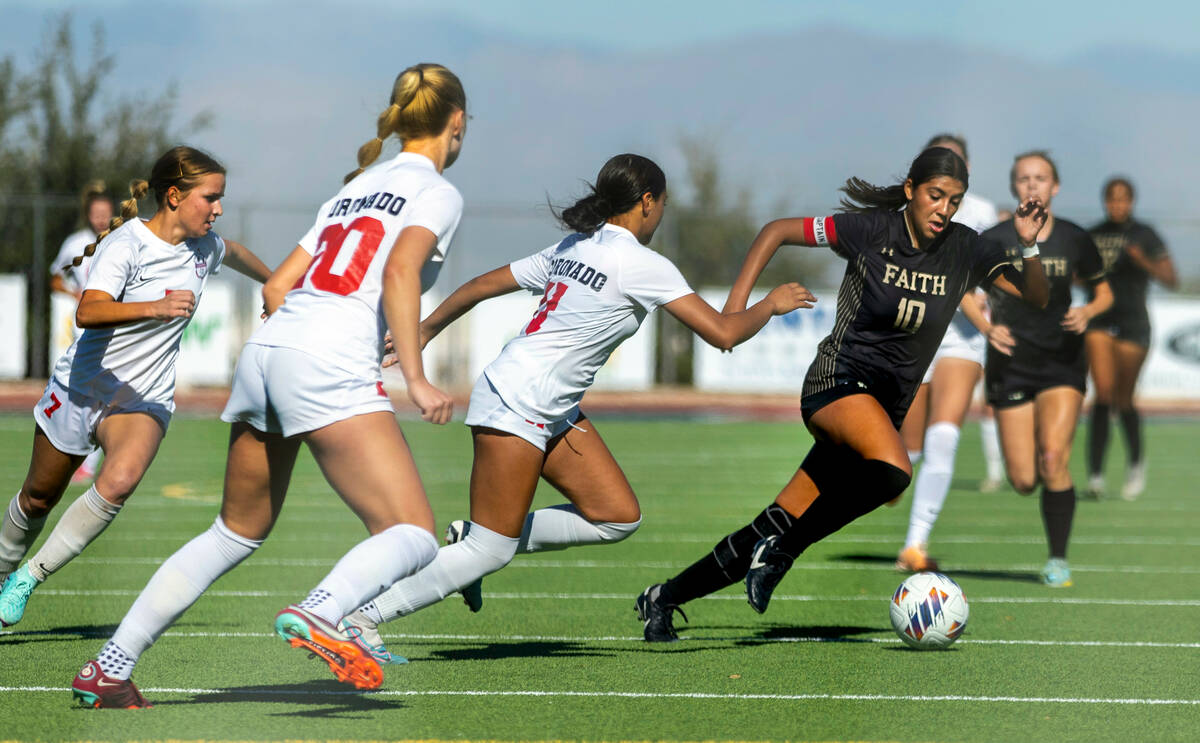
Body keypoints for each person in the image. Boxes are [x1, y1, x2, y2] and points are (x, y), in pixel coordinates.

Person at [71, 63, 467, 709]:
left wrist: (305, 345)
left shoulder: (359, 185)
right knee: (415, 533)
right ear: (456, 121)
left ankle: (110, 665)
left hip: (270, 350)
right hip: (326, 358)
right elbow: (399, 271)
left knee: (234, 530)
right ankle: (323, 610)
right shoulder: (437, 191)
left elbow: (279, 287)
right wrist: (417, 377)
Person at [332, 153, 814, 663]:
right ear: (647, 203)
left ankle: (469, 538)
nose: (662, 214)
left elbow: (478, 286)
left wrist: (428, 329)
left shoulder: (573, 247)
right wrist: (771, 303)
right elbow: (722, 334)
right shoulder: (641, 264)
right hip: (520, 400)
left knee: (616, 517)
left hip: (542, 404)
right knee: (489, 552)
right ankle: (362, 619)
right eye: (663, 205)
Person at [635, 146, 1050, 641]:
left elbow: (1039, 298)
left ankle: (664, 598)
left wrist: (1028, 245)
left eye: (954, 201)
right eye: (935, 196)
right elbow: (776, 231)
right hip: (836, 382)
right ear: (911, 191)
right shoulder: (872, 230)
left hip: (881, 408)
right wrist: (734, 307)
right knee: (894, 473)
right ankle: (786, 552)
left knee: (772, 522)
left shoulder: (966, 249)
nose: (944, 209)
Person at [0, 146, 271, 633]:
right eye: (211, 197)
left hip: (142, 399)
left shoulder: (205, 248)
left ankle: (27, 578)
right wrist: (155, 307)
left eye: (222, 198)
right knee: (38, 498)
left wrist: (276, 283)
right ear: (174, 196)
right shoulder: (127, 244)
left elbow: (237, 253)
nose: (219, 209)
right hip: (81, 387)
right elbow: (89, 310)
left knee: (119, 481)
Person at [980, 151, 1111, 587]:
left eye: (1040, 178)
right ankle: (1039, 484)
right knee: (1022, 479)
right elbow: (960, 285)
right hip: (1011, 363)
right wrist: (985, 326)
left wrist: (1089, 311)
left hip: (1062, 361)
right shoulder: (995, 237)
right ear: (1014, 186)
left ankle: (1058, 559)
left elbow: (1104, 293)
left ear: (1055, 187)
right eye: (1023, 178)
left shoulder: (1075, 238)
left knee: (1054, 457)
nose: (1032, 185)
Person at [894, 133, 1001, 572]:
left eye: (958, 162)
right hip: (918, 335)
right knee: (904, 456)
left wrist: (990, 326)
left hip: (962, 337)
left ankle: (913, 546)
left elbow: (978, 277)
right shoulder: (907, 213)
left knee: (944, 437)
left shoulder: (981, 213)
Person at [1084, 177, 1176, 501]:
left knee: (1124, 399)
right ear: (1104, 201)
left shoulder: (1144, 235)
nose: (1117, 205)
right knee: (1103, 395)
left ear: (1132, 201)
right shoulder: (1093, 234)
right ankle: (1095, 476)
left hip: (1134, 323)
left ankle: (1136, 464)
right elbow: (1077, 273)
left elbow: (1172, 279)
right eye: (1112, 199)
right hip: (1099, 321)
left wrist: (1145, 262)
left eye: (1123, 199)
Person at [49, 182, 116, 485]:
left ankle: (94, 461)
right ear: (88, 214)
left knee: (102, 396)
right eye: (96, 213)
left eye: (106, 213)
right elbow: (55, 279)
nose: (101, 218)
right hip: (84, 328)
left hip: (114, 328)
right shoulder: (76, 243)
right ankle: (85, 457)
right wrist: (75, 293)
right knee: (85, 395)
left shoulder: (120, 239)